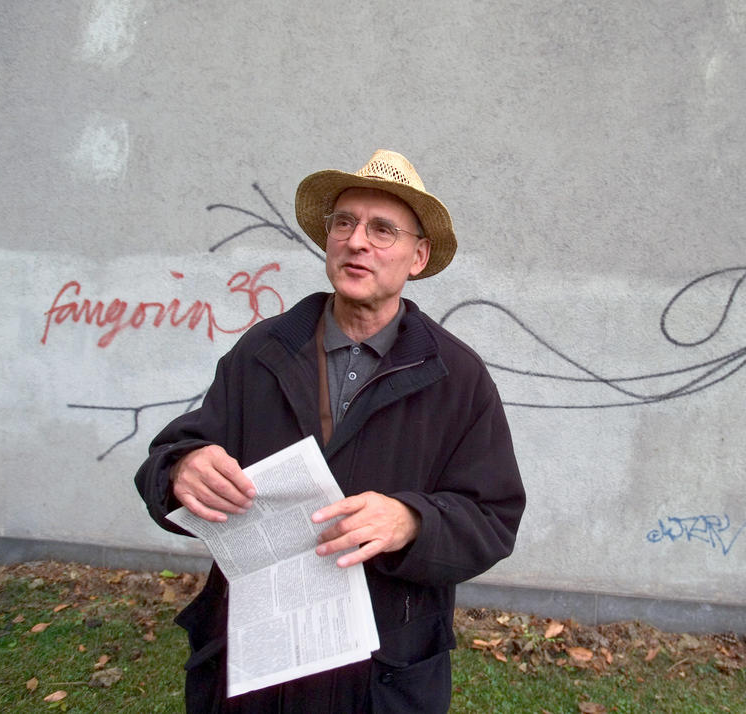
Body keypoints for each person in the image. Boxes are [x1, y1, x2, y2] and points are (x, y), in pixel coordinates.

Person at [135, 149, 526, 713]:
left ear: (418, 257)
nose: (356, 240)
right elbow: (171, 455)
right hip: (254, 668)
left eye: (382, 229)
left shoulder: (456, 376)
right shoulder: (263, 351)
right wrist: (182, 470)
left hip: (380, 677)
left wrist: (412, 521)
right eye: (344, 222)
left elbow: (494, 517)